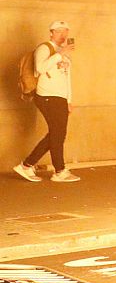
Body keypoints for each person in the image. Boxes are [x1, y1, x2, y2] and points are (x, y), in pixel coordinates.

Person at [15, 21, 79, 183]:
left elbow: (66, 77)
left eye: (65, 31)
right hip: (47, 96)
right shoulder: (44, 48)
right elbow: (40, 68)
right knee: (58, 133)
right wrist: (59, 54)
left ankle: (27, 165)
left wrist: (69, 100)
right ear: (51, 33)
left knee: (57, 134)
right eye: (58, 31)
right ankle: (59, 171)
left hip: (60, 97)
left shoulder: (62, 52)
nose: (62, 35)